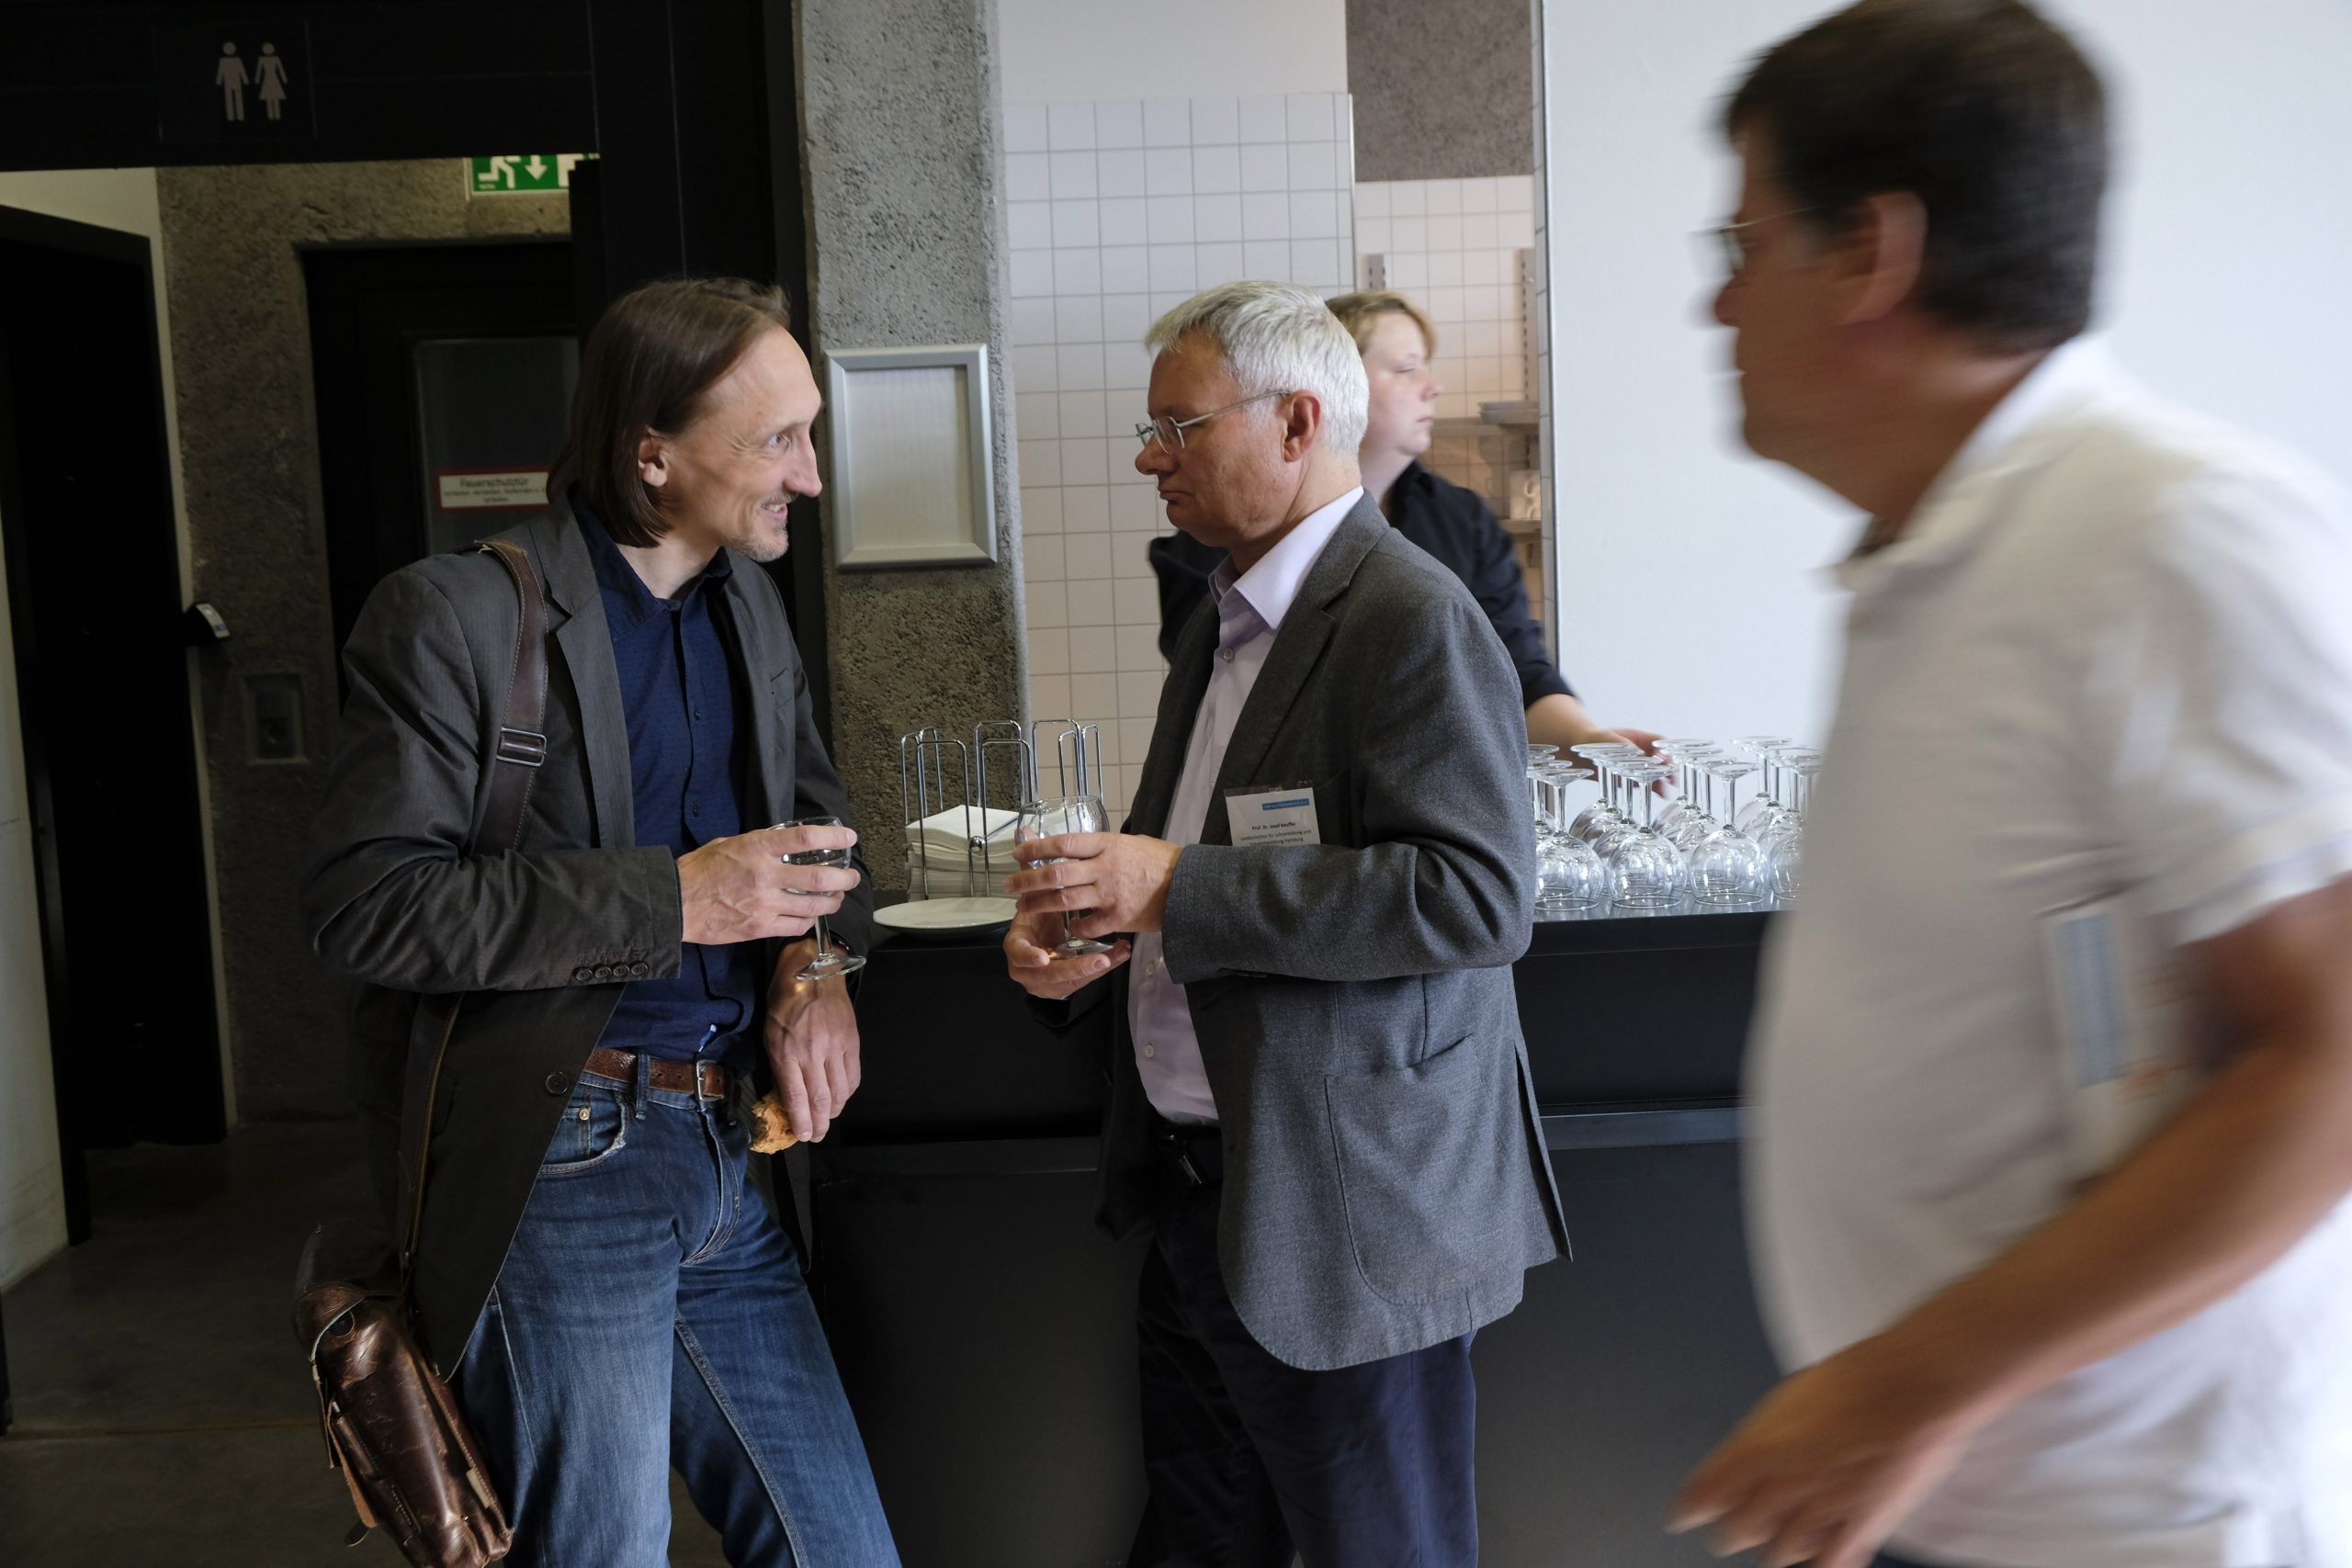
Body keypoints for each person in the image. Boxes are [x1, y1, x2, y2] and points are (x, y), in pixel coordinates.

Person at [1669, 5, 2352, 1567]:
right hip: (1964, 1508)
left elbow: (2332, 1061)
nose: (1716, 299)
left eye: (1743, 242)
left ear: (1871, 252)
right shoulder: (1940, 554)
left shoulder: (2173, 532)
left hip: (2155, 1529)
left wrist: (1907, 1385)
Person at [304, 277, 900, 1566]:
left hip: (724, 1150)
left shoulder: (747, 606)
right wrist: (677, 896)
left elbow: (815, 826)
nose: (810, 473)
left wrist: (814, 964)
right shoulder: (455, 615)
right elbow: (368, 906)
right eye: (778, 439)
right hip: (564, 1155)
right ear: (653, 454)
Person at [1003, 280, 1567, 1568]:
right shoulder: (1221, 618)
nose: (1151, 459)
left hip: (1345, 1227)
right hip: (1202, 1199)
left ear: (1298, 422)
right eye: (1151, 432)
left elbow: (1474, 897)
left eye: (1178, 428)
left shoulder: (1411, 616)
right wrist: (1088, 937)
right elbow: (1185, 858)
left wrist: (1168, 889)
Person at [1148, 288, 1656, 755]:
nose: (1433, 387)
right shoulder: (1223, 536)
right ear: (1336, 379)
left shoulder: (1461, 522)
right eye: (1406, 368)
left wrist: (1587, 741)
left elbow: (1513, 668)